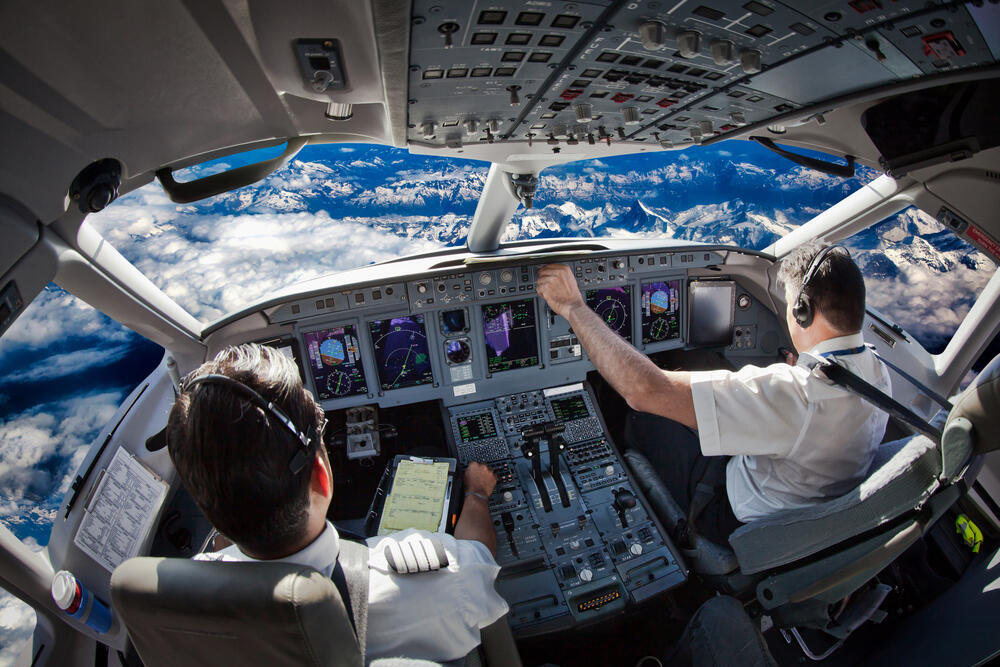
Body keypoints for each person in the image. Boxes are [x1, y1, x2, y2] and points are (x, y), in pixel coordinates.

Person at [166, 343, 508, 663]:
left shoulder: (178, 608)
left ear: (203, 499)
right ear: (321, 475)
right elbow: (479, 555)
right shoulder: (439, 579)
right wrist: (477, 493)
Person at [536, 243, 890, 545]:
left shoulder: (794, 393)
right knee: (698, 365)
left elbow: (643, 390)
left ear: (803, 311)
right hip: (805, 503)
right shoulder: (877, 372)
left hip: (733, 515)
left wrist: (573, 307)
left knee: (640, 415)